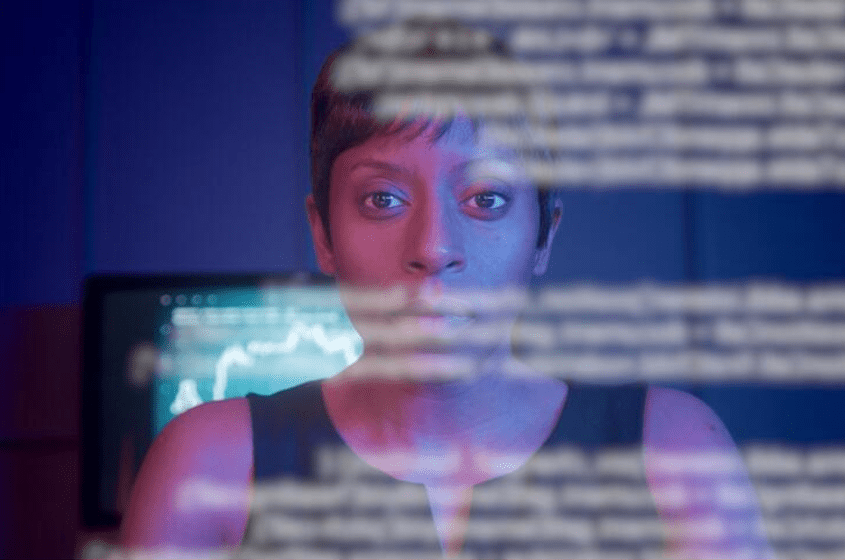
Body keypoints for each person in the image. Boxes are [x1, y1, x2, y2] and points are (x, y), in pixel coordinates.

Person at [117, 21, 770, 559]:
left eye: (486, 199)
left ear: (543, 236)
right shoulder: (210, 465)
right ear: (323, 233)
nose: (433, 247)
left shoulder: (673, 453)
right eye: (382, 199)